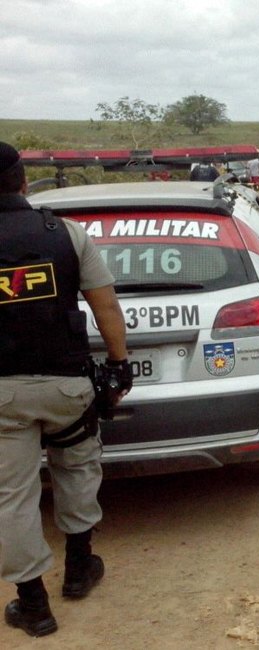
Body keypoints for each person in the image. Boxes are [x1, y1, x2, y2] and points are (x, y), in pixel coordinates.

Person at [0, 142, 130, 638]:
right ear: (23, 181)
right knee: (77, 469)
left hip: (3, 395)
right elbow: (106, 310)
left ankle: (32, 605)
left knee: (11, 495)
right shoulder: (66, 234)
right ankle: (79, 569)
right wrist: (118, 365)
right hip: (67, 387)